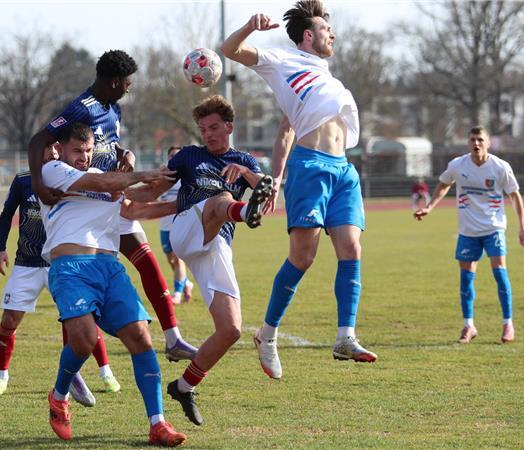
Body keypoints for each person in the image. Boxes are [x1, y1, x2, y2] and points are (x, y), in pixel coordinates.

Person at [222, 0, 376, 379]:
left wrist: (274, 176)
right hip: (311, 167)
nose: (332, 33)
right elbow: (230, 50)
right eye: (326, 29)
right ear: (308, 35)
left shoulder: (325, 78)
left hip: (343, 170)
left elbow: (286, 129)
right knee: (303, 257)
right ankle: (267, 335)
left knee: (351, 248)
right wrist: (250, 26)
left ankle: (346, 337)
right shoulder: (283, 60)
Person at [27, 50, 198, 362]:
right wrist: (38, 183)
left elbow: (109, 145)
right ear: (116, 81)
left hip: (113, 199)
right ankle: (74, 369)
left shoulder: (114, 109)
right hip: (85, 202)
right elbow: (39, 140)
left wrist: (126, 154)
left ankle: (173, 339)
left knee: (148, 263)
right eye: (128, 83)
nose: (129, 88)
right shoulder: (81, 107)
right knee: (78, 288)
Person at [128, 95, 274, 426]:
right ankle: (241, 212)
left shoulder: (243, 160)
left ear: (229, 127)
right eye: (203, 129)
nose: (207, 134)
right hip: (187, 227)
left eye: (214, 128)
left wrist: (246, 173)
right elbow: (152, 192)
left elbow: (265, 191)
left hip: (216, 244)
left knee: (230, 330)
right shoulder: (189, 156)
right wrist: (119, 191)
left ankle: (184, 386)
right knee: (222, 197)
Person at [41, 122, 186, 446]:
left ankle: (158, 423)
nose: (83, 157)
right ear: (60, 149)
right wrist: (143, 173)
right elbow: (105, 182)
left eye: (88, 151)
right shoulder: (52, 171)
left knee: (141, 337)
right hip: (71, 268)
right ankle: (59, 397)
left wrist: (180, 189)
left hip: (109, 267)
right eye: (77, 151)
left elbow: (136, 205)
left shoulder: (101, 175)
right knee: (84, 340)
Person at [0, 144, 121, 403]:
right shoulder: (23, 180)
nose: (51, 152)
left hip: (60, 262)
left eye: (55, 148)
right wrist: (0, 248)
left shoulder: (71, 178)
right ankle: (2, 375)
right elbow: (6, 214)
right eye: (45, 148)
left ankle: (105, 372)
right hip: (26, 263)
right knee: (9, 320)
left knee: (82, 319)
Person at [414, 126, 524, 344]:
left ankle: (508, 324)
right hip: (468, 232)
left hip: (494, 228)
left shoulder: (500, 167)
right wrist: (429, 207)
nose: (476, 144)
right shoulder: (458, 165)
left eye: (480, 140)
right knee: (466, 279)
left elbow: (514, 195)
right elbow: (444, 184)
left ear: (488, 143)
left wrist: (523, 225)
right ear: (468, 143)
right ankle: (469, 325)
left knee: (500, 273)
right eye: (472, 140)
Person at [158, 146, 194, 304]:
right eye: (172, 155)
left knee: (178, 259)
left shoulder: (187, 178)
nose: (175, 158)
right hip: (164, 226)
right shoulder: (164, 180)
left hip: (180, 225)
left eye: (177, 155)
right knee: (171, 260)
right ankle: (186, 283)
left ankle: (177, 293)